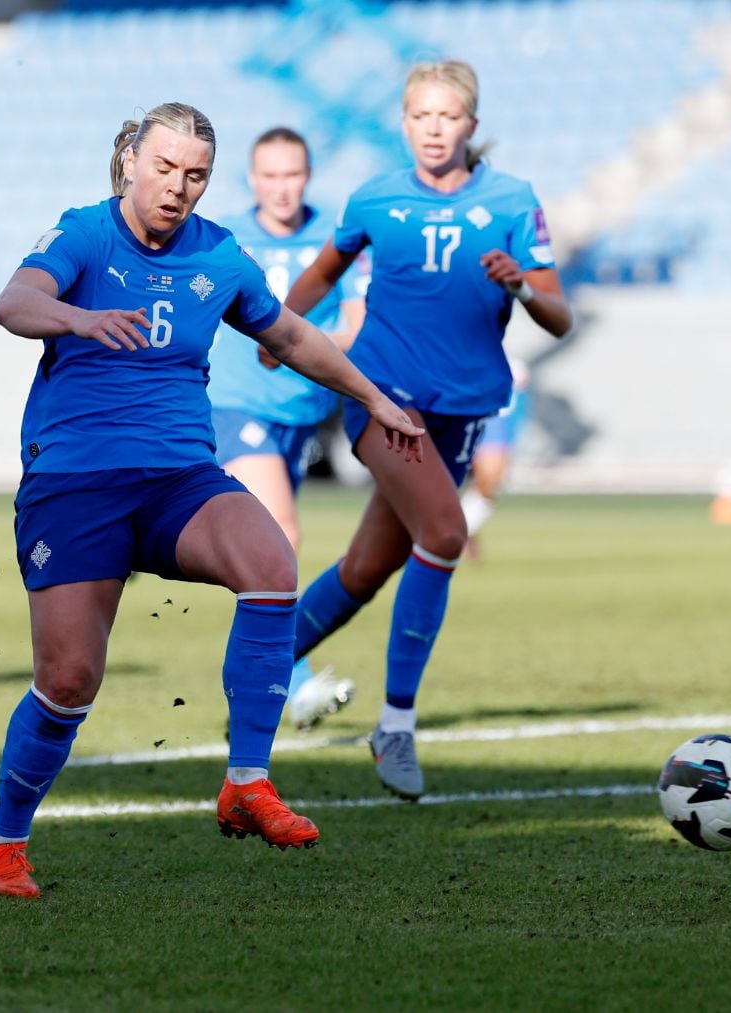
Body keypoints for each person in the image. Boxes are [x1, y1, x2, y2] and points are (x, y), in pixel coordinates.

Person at [0, 103, 425, 899]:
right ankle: (5, 844)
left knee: (271, 564)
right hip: (76, 484)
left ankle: (246, 781)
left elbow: (289, 337)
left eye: (193, 175)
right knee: (70, 677)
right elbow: (13, 303)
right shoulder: (84, 234)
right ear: (129, 163)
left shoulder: (219, 253)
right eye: (163, 168)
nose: (176, 188)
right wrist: (79, 319)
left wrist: (375, 397)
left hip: (181, 479)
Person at [280, 60, 574, 801]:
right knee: (443, 535)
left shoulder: (512, 200)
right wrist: (276, 326)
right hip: (382, 397)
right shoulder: (376, 197)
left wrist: (520, 287)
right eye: (421, 117)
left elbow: (558, 314)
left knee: (364, 570)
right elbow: (323, 270)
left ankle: (254, 668)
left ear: (472, 125)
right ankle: (396, 725)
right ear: (404, 123)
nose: (434, 130)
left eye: (448, 118)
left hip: (463, 409)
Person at [211, 126, 370, 731]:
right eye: (269, 176)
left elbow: (356, 326)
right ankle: (285, 681)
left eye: (292, 175)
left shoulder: (337, 237)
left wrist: (295, 344)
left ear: (308, 175)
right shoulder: (226, 238)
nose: (281, 188)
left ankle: (256, 688)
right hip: (235, 406)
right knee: (282, 536)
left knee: (267, 559)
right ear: (253, 180)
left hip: (301, 415)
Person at [459, 354, 531, 557]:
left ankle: (463, 528)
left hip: (495, 432)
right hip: (485, 431)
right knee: (485, 486)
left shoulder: (510, 364)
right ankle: (459, 529)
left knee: (489, 488)